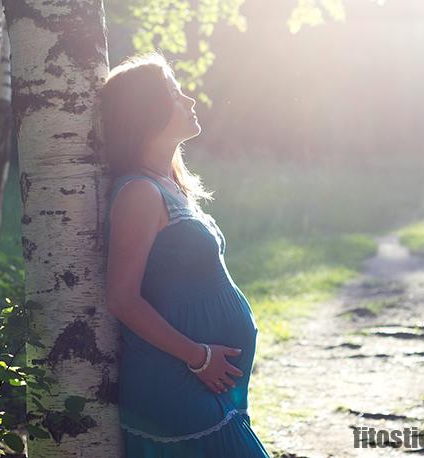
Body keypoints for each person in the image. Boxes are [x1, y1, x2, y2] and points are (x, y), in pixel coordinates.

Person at [101, 51, 270, 457]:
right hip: (177, 382)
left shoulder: (169, 185)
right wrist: (198, 357)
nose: (190, 100)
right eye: (176, 94)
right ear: (148, 111)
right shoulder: (139, 193)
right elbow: (122, 298)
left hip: (205, 384)